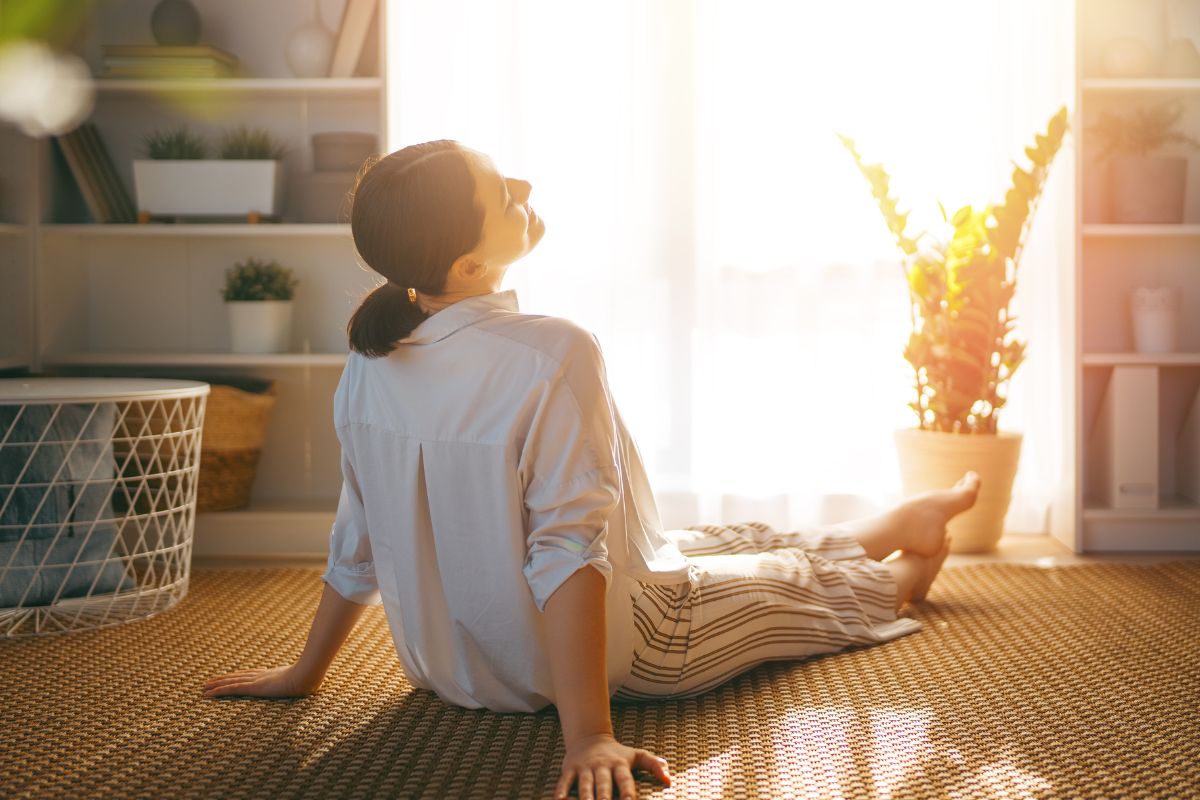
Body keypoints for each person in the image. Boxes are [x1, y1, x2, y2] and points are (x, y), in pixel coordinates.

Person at [201, 139, 982, 800]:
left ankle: (896, 520)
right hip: (634, 645)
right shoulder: (551, 353)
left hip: (452, 668)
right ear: (469, 265)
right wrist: (590, 737)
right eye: (502, 193)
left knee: (722, 539)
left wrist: (307, 670)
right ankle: (909, 570)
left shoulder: (370, 361)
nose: (524, 185)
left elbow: (359, 533)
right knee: (791, 589)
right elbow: (567, 551)